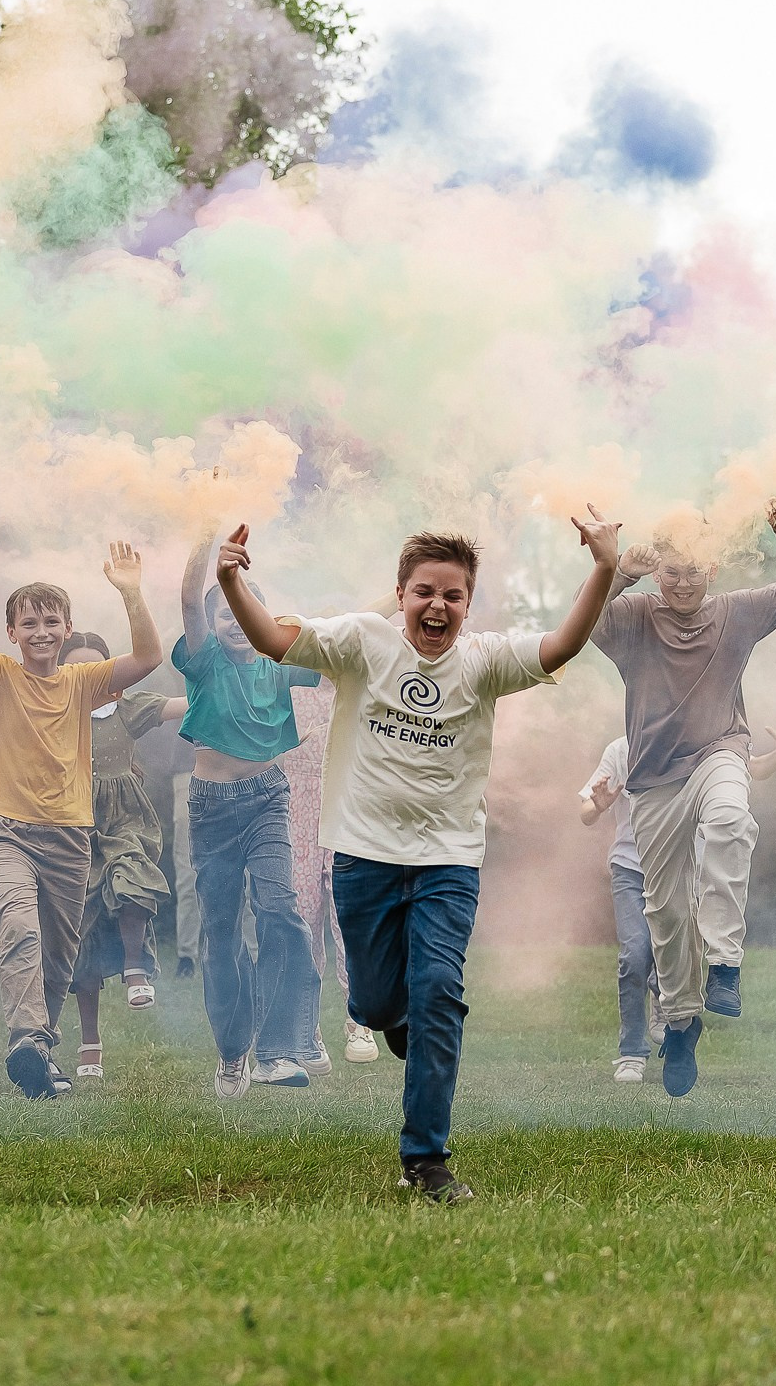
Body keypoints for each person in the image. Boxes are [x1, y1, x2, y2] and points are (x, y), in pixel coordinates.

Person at [216, 507, 623, 1203]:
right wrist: (232, 585)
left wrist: (606, 569)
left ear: (469, 604)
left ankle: (425, 1159)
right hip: (364, 857)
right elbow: (276, 639)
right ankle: (399, 1022)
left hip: (447, 861)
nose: (438, 605)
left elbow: (560, 646)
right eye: (425, 592)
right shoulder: (362, 642)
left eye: (454, 595)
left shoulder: (485, 661)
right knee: (375, 1006)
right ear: (401, 595)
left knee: (438, 991)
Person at [587, 498, 776, 1098]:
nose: (682, 581)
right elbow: (586, 618)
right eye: (671, 570)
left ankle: (725, 965)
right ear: (659, 570)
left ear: (713, 568)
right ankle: (683, 1022)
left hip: (721, 750)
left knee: (728, 820)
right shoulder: (635, 617)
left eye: (693, 569)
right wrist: (621, 569)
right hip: (653, 777)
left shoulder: (738, 613)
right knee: (664, 916)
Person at [0, 507, 163, 1099]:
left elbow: (148, 657)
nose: (40, 631)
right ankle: (25, 1038)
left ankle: (39, 1051)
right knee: (17, 928)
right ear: (12, 632)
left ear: (66, 630)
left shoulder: (84, 682)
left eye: (51, 622)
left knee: (62, 955)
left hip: (68, 835)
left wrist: (132, 592)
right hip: (6, 828)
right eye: (28, 622)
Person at [580, 706, 776, 1083]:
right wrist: (597, 804)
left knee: (674, 942)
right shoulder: (623, 749)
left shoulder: (705, 748)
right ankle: (631, 1052)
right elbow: (586, 812)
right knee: (634, 956)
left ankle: (669, 1007)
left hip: (685, 866)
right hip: (631, 868)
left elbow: (750, 770)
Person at [176, 534, 330, 1096]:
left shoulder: (279, 664)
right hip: (211, 809)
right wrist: (206, 542)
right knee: (221, 935)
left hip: (268, 795)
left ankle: (278, 1048)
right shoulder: (204, 658)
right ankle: (232, 1049)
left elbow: (343, 637)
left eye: (246, 611)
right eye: (227, 610)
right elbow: (191, 600)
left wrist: (395, 597)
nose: (236, 622)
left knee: (282, 914)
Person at [54, 631, 182, 1080]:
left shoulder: (127, 709)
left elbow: (181, 705)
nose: (89, 678)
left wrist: (224, 678)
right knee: (82, 927)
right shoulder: (54, 714)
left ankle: (135, 967)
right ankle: (90, 1041)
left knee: (131, 876)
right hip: (73, 825)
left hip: (125, 819)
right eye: (77, 669)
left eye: (98, 668)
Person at [280, 681, 363, 1060]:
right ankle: (306, 1026)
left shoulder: (362, 691)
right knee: (304, 915)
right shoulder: (291, 692)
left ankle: (358, 1019)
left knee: (349, 914)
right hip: (298, 804)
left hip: (348, 805)